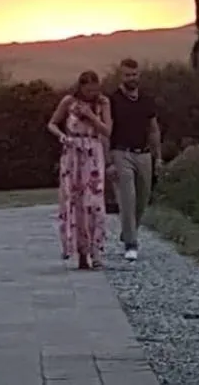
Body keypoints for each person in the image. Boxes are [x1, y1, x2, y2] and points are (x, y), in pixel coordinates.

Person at [48, 70, 112, 269]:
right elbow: (52, 124)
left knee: (94, 202)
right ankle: (81, 252)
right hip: (73, 152)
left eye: (95, 89)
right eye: (88, 90)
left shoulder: (103, 103)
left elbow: (107, 130)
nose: (92, 93)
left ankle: (96, 250)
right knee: (74, 201)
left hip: (93, 152)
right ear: (81, 87)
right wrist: (62, 136)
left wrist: (91, 116)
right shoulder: (69, 102)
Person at [108, 58, 162, 262]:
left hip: (144, 154)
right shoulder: (112, 101)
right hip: (121, 153)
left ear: (139, 75)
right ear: (120, 76)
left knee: (142, 199)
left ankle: (128, 231)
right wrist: (108, 160)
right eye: (127, 75)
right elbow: (106, 130)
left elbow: (154, 129)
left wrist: (158, 157)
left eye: (134, 74)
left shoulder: (146, 100)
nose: (131, 78)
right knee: (128, 199)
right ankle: (131, 243)